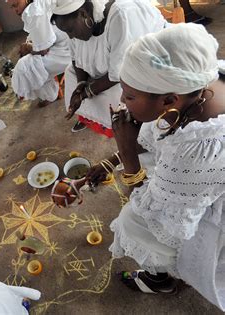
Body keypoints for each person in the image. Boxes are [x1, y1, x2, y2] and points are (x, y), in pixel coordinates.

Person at [74, 24, 223, 309]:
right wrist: (112, 160)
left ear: (169, 100)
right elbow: (158, 137)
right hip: (199, 171)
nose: (121, 100)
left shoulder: (195, 148)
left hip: (216, 204)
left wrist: (126, 152)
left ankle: (162, 280)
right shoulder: (199, 78)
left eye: (129, 96)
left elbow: (155, 217)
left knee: (133, 221)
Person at [51, 0, 166, 135]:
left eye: (70, 30)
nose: (70, 36)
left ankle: (127, 129)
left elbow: (120, 72)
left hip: (145, 60)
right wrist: (80, 85)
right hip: (113, 64)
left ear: (83, 14)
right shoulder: (76, 23)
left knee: (121, 91)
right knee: (70, 72)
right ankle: (94, 118)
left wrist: (86, 93)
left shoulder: (120, 16)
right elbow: (75, 57)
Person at [8, 0, 71, 107]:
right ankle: (49, 93)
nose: (15, 10)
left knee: (24, 67)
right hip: (66, 42)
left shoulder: (33, 10)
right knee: (31, 60)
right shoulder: (37, 4)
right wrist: (29, 45)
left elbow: (43, 50)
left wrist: (28, 48)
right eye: (12, 7)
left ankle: (50, 95)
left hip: (67, 51)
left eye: (16, 5)